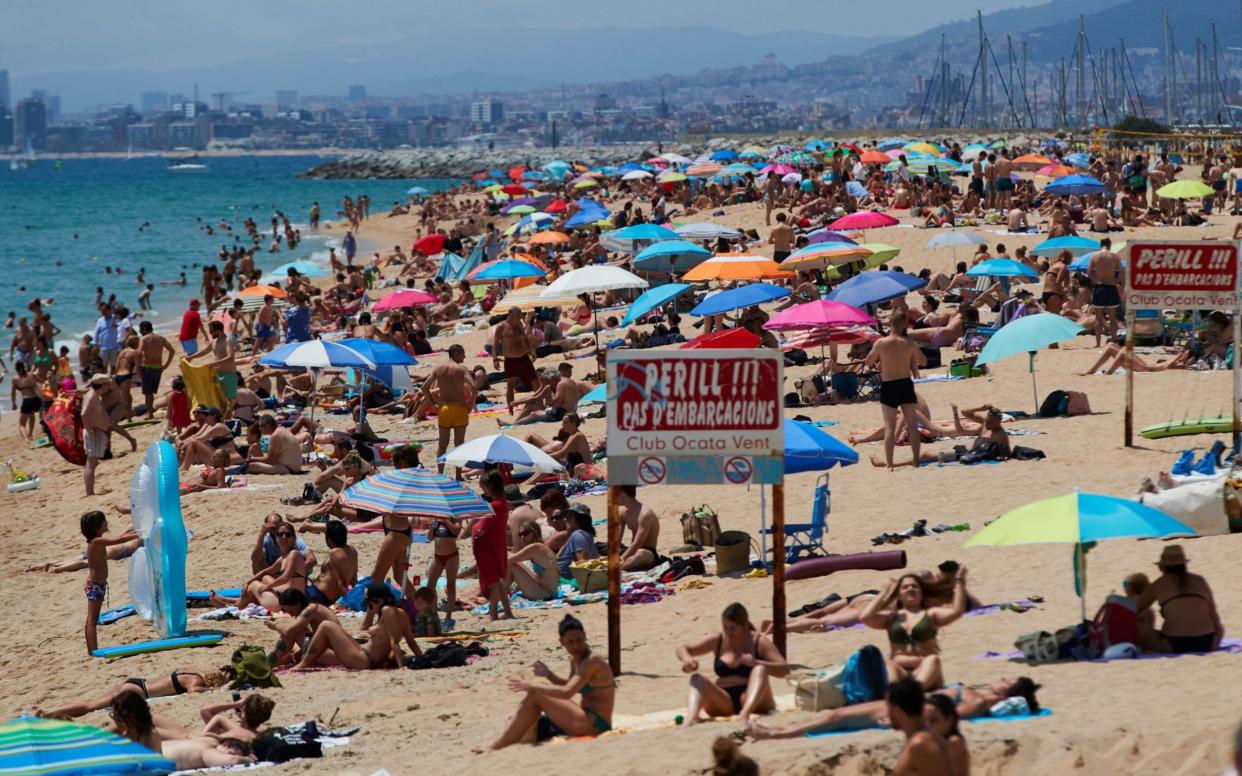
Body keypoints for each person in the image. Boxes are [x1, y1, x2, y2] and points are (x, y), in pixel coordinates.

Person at [748, 675, 1041, 741]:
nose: (1001, 679)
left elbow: (946, 719)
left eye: (1007, 682)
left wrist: (901, 720)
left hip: (907, 712)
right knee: (833, 716)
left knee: (835, 717)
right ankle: (779, 730)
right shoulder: (976, 693)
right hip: (905, 705)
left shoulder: (976, 704)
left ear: (1007, 694)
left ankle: (776, 734)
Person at [476, 614, 615, 750]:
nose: (576, 646)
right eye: (571, 642)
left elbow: (567, 693)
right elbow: (568, 685)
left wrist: (531, 685)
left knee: (536, 691)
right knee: (539, 687)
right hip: (587, 718)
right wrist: (548, 675)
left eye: (579, 640)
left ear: (585, 636)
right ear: (562, 642)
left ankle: (499, 745)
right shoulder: (576, 660)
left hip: (596, 725)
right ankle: (509, 737)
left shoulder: (592, 661)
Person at [676, 603, 788, 726]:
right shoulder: (718, 639)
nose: (728, 632)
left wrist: (757, 662)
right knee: (697, 679)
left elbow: (784, 670)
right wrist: (688, 660)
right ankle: (691, 718)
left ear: (744, 626)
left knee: (760, 669)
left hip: (754, 699)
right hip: (724, 701)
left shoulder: (758, 641)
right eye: (725, 627)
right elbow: (683, 648)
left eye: (732, 628)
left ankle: (745, 714)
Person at [860, 568, 969, 689]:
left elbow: (957, 611)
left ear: (922, 592)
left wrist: (959, 580)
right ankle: (895, 694)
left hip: (925, 670)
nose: (910, 589)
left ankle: (912, 693)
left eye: (914, 586)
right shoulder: (891, 617)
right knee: (887, 664)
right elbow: (865, 617)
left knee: (933, 659)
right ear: (899, 595)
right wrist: (883, 593)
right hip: (899, 671)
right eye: (905, 587)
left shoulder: (931, 614)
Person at [295, 582, 421, 670]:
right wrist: (422, 659)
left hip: (363, 659)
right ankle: (305, 657)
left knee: (326, 625)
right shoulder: (402, 614)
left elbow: (394, 642)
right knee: (331, 636)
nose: (369, 608)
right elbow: (411, 642)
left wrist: (401, 668)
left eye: (370, 604)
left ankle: (303, 664)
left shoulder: (387, 611)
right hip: (364, 654)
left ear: (380, 601)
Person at [37, 668, 228, 719]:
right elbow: (194, 692)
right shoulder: (197, 681)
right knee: (90, 707)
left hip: (136, 682)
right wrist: (211, 690)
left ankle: (52, 711)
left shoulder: (194, 670)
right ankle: (49, 713)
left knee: (90, 703)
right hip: (138, 692)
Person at [1134, 545, 1224, 654]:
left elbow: (1134, 609)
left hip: (1175, 643)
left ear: (1162, 567)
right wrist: (1217, 639)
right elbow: (1215, 618)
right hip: (1208, 642)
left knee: (1137, 629)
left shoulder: (1159, 583)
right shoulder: (1200, 580)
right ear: (1184, 565)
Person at [865, 310, 926, 469]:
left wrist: (879, 357)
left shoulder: (881, 343)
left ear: (890, 324)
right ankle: (916, 461)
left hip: (890, 385)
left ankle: (890, 464)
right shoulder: (909, 342)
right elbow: (923, 361)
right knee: (912, 426)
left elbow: (868, 361)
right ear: (904, 325)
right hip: (905, 383)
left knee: (890, 427)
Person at [80, 510, 140, 654]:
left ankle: (92, 650)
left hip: (97, 585)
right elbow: (118, 540)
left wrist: (137, 531)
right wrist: (140, 534)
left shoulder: (97, 541)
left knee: (93, 619)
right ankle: (92, 651)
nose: (107, 522)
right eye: (104, 521)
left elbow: (119, 537)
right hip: (95, 586)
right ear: (97, 527)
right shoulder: (97, 541)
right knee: (92, 620)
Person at [82, 375, 138, 496]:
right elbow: (84, 414)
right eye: (106, 384)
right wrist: (88, 429)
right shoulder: (93, 395)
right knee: (91, 464)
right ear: (102, 385)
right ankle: (90, 493)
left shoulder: (98, 391)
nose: (108, 385)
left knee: (92, 464)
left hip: (109, 416)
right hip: (95, 431)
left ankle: (90, 492)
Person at [424, 343, 472, 476]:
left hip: (444, 409)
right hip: (460, 409)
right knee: (459, 444)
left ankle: (440, 474)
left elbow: (424, 387)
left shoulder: (439, 369)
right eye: (462, 353)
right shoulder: (462, 369)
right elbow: (474, 387)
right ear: (455, 353)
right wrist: (471, 404)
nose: (464, 356)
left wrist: (433, 404)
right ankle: (458, 476)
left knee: (442, 444)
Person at [473, 470, 514, 620]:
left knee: (493, 580)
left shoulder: (494, 506)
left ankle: (494, 613)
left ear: (491, 486)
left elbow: (481, 529)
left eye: (484, 487)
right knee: (497, 580)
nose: (483, 490)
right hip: (498, 545)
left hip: (489, 547)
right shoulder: (503, 503)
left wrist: (474, 527)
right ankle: (506, 611)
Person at [493, 307, 537, 413]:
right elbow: (495, 343)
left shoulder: (519, 325)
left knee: (535, 381)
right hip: (510, 360)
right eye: (519, 315)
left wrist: (531, 350)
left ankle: (539, 403)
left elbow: (525, 338)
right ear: (511, 315)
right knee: (510, 386)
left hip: (524, 358)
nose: (520, 317)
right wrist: (495, 359)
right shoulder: (501, 327)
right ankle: (511, 409)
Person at [507, 519, 559, 601]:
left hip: (545, 593)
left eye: (525, 533)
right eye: (520, 534)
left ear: (535, 532)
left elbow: (508, 560)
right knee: (512, 561)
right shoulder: (540, 546)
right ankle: (501, 593)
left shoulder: (535, 547)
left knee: (511, 565)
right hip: (547, 591)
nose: (522, 537)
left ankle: (500, 593)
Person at [1087, 237, 1123, 347]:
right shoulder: (1115, 257)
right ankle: (1114, 341)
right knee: (1112, 317)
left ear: (1100, 245)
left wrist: (1095, 280)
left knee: (1098, 318)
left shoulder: (1095, 256)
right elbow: (1121, 273)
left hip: (1099, 287)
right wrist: (1115, 281)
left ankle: (1098, 343)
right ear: (1110, 245)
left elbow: (1089, 273)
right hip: (1111, 287)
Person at [252, 513, 317, 575]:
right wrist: (261, 535)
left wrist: (294, 573)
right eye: (273, 528)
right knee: (258, 562)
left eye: (279, 527)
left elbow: (312, 559)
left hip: (292, 574)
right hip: (274, 574)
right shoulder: (265, 540)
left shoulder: (292, 539)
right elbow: (255, 560)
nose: (283, 536)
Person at [616, 484, 660, 571]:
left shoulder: (645, 514)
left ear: (622, 494)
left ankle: (616, 569)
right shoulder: (623, 513)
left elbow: (637, 543)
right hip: (631, 551)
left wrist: (620, 559)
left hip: (647, 552)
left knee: (641, 554)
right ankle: (620, 566)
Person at [137, 321, 175, 419]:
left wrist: (138, 368)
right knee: (151, 393)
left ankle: (150, 414)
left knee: (147, 393)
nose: (140, 332)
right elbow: (172, 350)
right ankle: (150, 413)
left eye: (140, 329)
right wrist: (166, 365)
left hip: (148, 368)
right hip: (158, 368)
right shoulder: (160, 338)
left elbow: (139, 352)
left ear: (144, 329)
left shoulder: (143, 339)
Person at [556, 505, 600, 575]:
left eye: (569, 517)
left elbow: (583, 565)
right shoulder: (585, 535)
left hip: (565, 579)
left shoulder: (578, 535)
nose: (565, 519)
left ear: (579, 518)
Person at [10, 361, 39, 440]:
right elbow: (41, 381)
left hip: (27, 400)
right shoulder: (31, 374)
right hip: (36, 399)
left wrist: (13, 403)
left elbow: (13, 392)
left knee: (21, 424)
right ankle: (30, 434)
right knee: (32, 416)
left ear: (16, 369)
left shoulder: (15, 378)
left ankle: (26, 438)